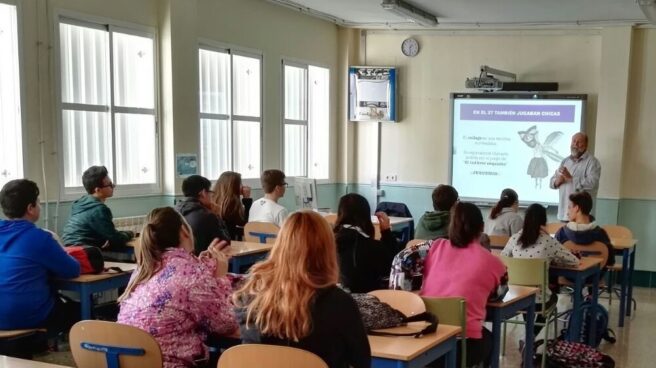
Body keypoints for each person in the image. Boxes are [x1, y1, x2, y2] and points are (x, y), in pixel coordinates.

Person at [234, 211, 370, 368]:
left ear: (280, 244)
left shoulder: (250, 296)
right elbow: (362, 362)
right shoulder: (340, 304)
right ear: (328, 250)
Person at [117, 207, 237, 368]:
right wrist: (221, 276)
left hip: (128, 362)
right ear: (184, 231)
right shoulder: (192, 274)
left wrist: (205, 268)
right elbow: (226, 325)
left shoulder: (143, 269)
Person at [421, 202, 508, 368]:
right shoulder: (493, 262)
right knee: (490, 338)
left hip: (427, 342)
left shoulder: (435, 247)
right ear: (482, 227)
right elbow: (498, 294)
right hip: (464, 346)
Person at [0, 179, 81, 332]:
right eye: (38, 202)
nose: (40, 206)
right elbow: (72, 270)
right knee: (80, 311)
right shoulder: (39, 237)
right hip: (27, 316)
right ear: (30, 208)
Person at [501, 203, 578, 335]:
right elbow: (574, 261)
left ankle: (528, 336)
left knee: (527, 296)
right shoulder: (548, 241)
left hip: (515, 298)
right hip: (540, 301)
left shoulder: (514, 239)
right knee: (552, 297)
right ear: (543, 221)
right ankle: (531, 338)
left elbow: (503, 259)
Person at [333, 193, 401, 293]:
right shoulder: (373, 247)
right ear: (366, 216)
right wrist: (386, 232)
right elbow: (393, 267)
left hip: (335, 301)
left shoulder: (327, 243)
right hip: (366, 301)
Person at [62, 166, 134, 250]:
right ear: (98, 190)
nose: (113, 186)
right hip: (86, 252)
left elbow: (108, 234)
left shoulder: (79, 203)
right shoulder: (99, 209)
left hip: (70, 250)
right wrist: (130, 233)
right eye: (110, 185)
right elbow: (116, 239)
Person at [554, 191, 614, 269]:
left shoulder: (562, 233)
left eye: (569, 207)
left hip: (568, 276)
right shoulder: (601, 234)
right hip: (594, 277)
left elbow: (553, 257)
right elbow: (610, 261)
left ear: (577, 208)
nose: (567, 212)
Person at [549, 132, 601, 221]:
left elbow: (593, 183)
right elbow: (552, 182)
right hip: (564, 213)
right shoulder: (565, 161)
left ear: (586, 145)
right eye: (573, 141)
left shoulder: (592, 162)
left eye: (579, 142)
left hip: (581, 216)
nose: (575, 144)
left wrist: (571, 179)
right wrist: (557, 181)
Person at [175, 175, 231, 254]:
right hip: (200, 261)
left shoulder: (173, 211)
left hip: (178, 261)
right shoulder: (207, 216)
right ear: (203, 193)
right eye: (209, 192)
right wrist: (217, 215)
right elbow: (224, 242)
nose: (211, 196)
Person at [211, 171, 253, 240]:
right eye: (240, 184)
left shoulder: (213, 198)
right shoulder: (231, 202)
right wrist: (247, 199)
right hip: (228, 242)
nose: (242, 186)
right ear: (234, 187)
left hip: (215, 241)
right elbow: (244, 222)